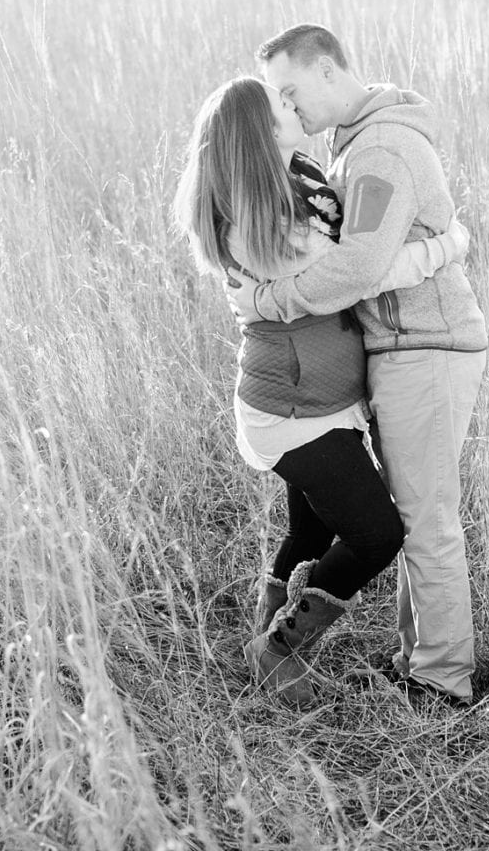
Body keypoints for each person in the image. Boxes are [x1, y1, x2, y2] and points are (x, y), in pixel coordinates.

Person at [173, 75, 470, 704]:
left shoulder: (302, 181)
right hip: (292, 406)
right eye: (278, 102)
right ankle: (278, 650)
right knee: (378, 534)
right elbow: (359, 274)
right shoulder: (263, 215)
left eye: (290, 93)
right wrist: (445, 246)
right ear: (257, 130)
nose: (292, 102)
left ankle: (261, 639)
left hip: (320, 400)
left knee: (308, 532)